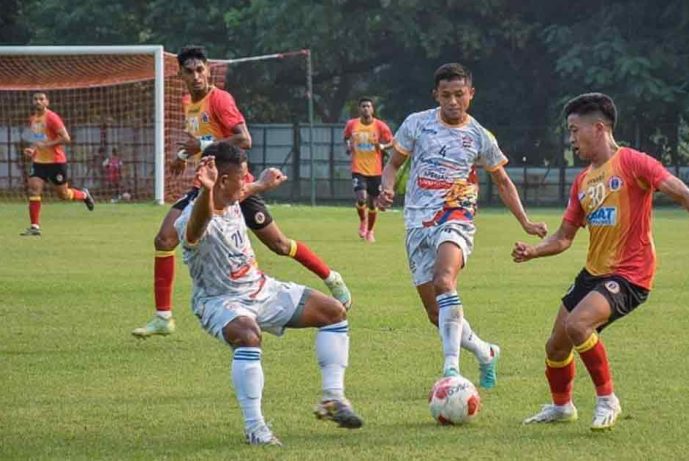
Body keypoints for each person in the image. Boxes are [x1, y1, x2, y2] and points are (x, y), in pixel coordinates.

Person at [515, 93, 689, 430]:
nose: (571, 139)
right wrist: (534, 251)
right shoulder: (582, 181)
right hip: (593, 273)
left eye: (575, 130)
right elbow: (564, 238)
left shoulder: (634, 163)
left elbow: (683, 193)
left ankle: (607, 399)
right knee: (556, 345)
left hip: (630, 274)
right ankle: (561, 407)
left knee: (578, 325)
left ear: (599, 128)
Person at [132, 46, 351, 338]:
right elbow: (201, 141)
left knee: (280, 246)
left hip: (237, 187)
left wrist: (202, 148)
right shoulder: (189, 102)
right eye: (189, 71)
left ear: (208, 69)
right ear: (179, 73)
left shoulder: (220, 99)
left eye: (200, 70)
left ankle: (331, 277)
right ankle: (163, 317)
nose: (196, 76)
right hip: (209, 187)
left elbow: (242, 139)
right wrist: (183, 157)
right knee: (165, 238)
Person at [176, 144, 363, 446]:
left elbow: (240, 193)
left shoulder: (232, 195)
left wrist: (262, 183)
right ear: (221, 181)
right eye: (242, 175)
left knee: (333, 313)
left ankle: (333, 399)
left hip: (261, 288)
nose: (245, 180)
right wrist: (206, 192)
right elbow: (196, 230)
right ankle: (255, 428)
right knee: (248, 335)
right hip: (220, 301)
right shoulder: (193, 216)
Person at [377, 63, 548, 388]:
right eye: (446, 95)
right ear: (436, 96)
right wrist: (386, 188)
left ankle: (451, 371)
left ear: (471, 94)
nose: (453, 101)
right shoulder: (416, 124)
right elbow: (393, 165)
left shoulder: (479, 136)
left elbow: (503, 181)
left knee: (444, 281)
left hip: (456, 215)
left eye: (459, 94)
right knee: (435, 313)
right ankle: (485, 351)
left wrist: (525, 221)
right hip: (416, 222)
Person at [20, 91, 95, 236]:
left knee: (64, 195)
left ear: (47, 102)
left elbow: (66, 138)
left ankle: (84, 195)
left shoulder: (52, 118)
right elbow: (39, 140)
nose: (38, 101)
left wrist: (47, 145)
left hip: (56, 162)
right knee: (34, 189)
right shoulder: (33, 119)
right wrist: (33, 150)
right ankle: (35, 227)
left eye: (41, 99)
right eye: (35, 99)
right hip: (39, 162)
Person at [344, 97, 394, 242]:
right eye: (363, 106)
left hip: (375, 170)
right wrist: (348, 146)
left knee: (372, 203)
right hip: (358, 168)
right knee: (361, 198)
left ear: (372, 109)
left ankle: (370, 231)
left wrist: (383, 147)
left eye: (368, 106)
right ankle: (363, 222)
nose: (366, 108)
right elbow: (346, 137)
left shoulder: (380, 126)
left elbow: (393, 141)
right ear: (359, 109)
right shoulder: (352, 124)